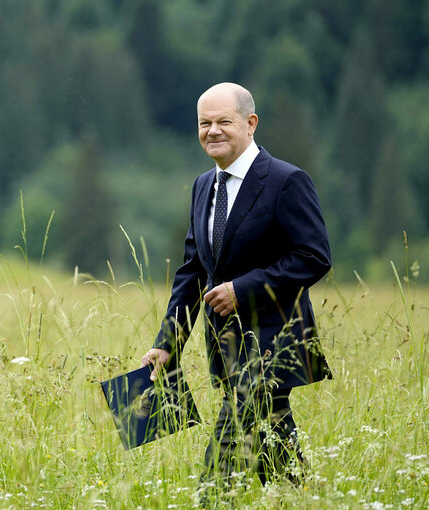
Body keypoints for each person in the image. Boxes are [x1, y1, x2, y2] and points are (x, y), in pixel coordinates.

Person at [140, 82, 332, 492]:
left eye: (223, 121)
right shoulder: (201, 186)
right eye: (204, 123)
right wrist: (166, 344)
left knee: (218, 477)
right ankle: (305, 499)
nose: (212, 131)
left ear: (250, 123)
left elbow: (314, 257)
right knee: (281, 466)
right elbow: (192, 274)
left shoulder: (286, 180)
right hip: (225, 353)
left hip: (273, 347)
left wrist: (241, 290)